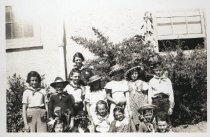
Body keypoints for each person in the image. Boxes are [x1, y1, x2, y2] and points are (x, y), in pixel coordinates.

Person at [124, 63, 149, 131]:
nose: (134, 75)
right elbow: (127, 97)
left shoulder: (141, 82)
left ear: (138, 74)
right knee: (134, 120)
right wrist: (129, 109)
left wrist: (145, 104)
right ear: (129, 75)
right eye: (132, 74)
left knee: (142, 119)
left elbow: (146, 95)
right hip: (132, 105)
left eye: (135, 73)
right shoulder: (127, 83)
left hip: (141, 104)